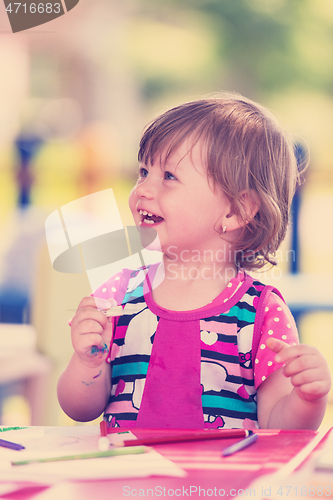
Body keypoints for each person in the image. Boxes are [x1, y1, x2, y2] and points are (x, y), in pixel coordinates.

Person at [57, 93, 331, 430]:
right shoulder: (118, 295)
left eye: (169, 176)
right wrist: (88, 364)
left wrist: (306, 401)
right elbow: (78, 409)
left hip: (221, 483)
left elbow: (280, 427)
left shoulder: (260, 313)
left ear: (236, 210)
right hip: (127, 479)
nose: (142, 189)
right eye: (144, 172)